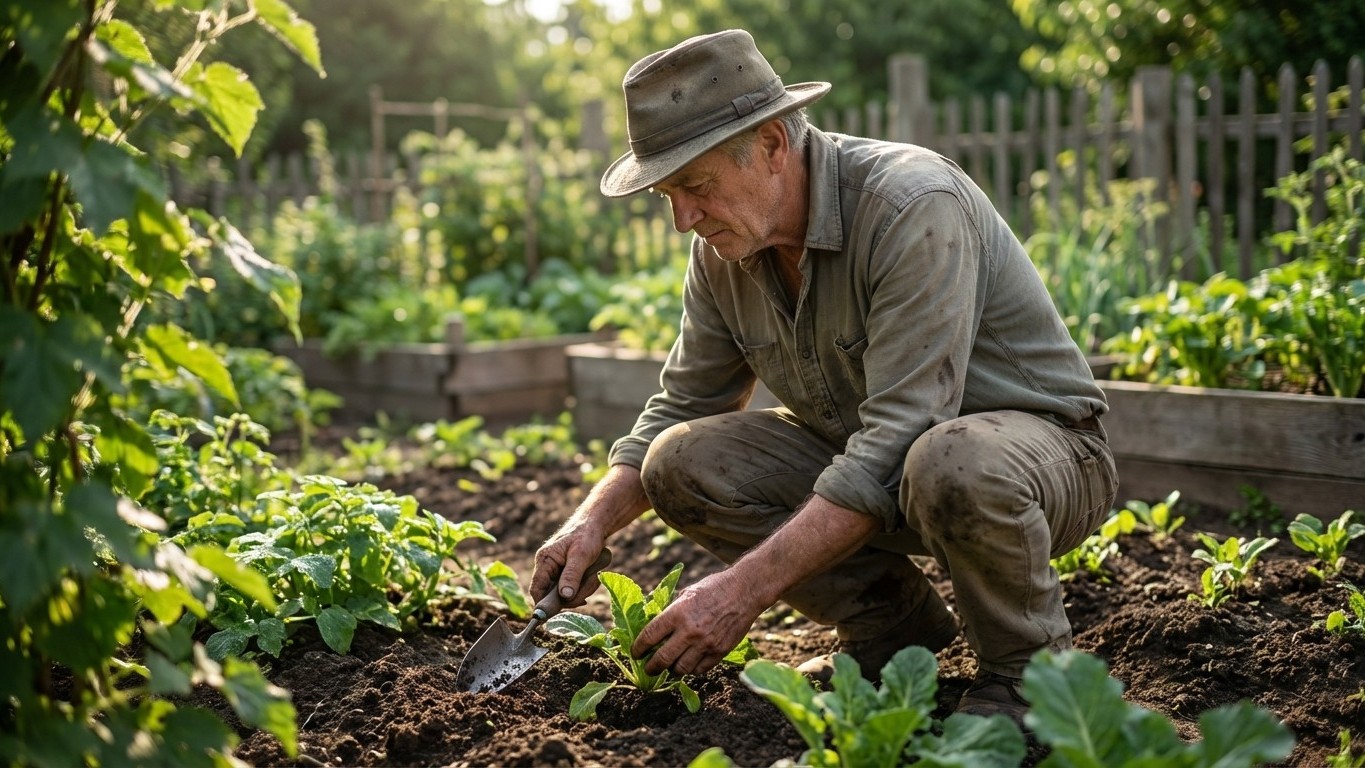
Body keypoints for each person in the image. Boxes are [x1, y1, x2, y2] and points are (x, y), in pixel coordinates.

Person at [530, 28, 1118, 726]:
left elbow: (905, 432)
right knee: (678, 462)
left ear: (774, 145)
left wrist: (738, 593)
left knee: (948, 457)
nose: (683, 218)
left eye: (695, 185)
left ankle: (1029, 679)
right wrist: (589, 521)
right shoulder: (724, 251)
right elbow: (683, 400)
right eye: (666, 195)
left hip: (1035, 466)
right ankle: (892, 629)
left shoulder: (909, 206)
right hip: (886, 468)